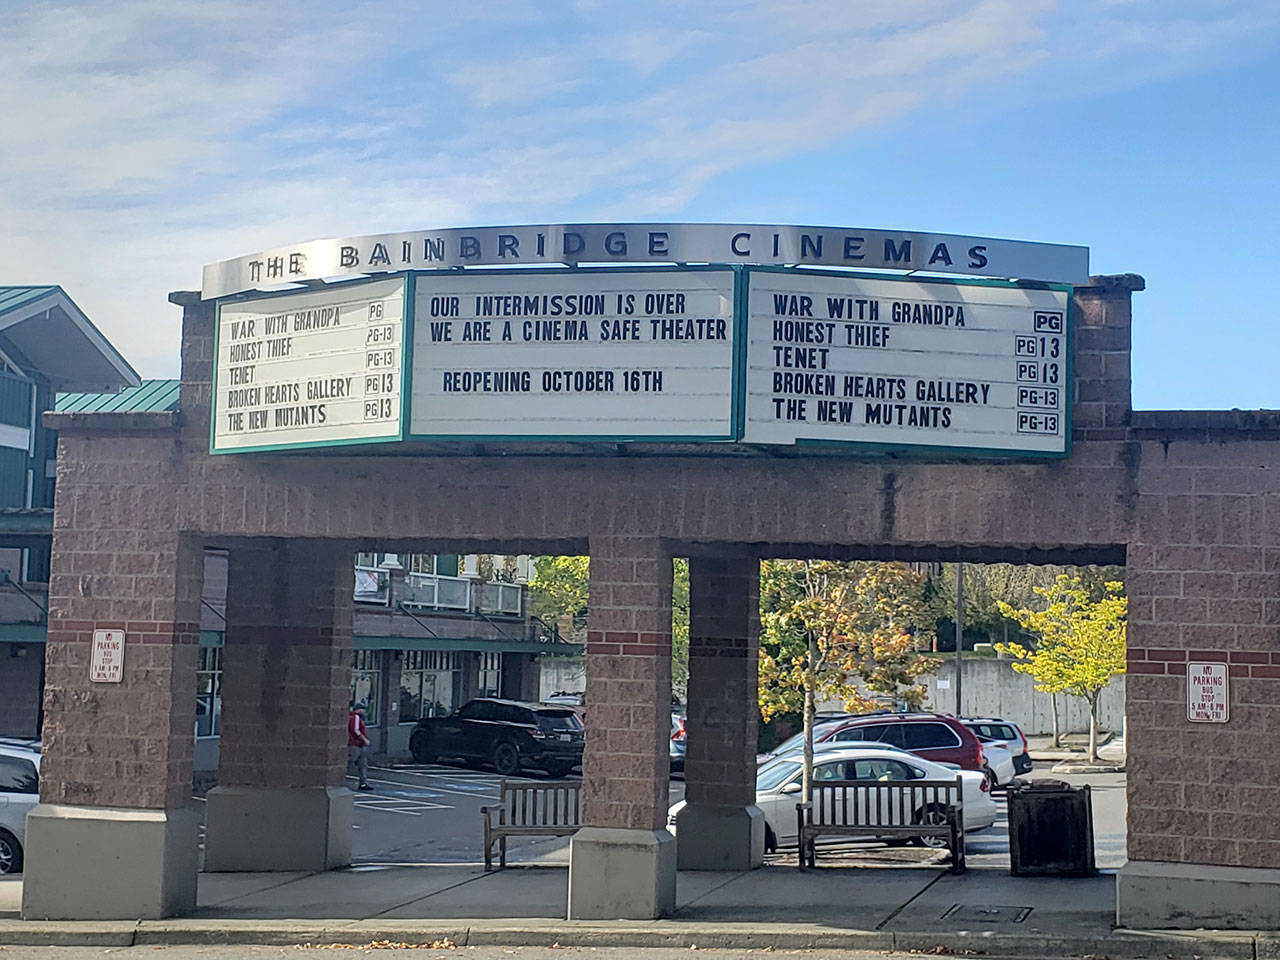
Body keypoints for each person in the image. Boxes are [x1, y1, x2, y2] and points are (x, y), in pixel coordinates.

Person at [348, 701, 373, 791]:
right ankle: (338, 780)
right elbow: (356, 730)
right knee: (350, 762)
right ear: (359, 710)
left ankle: (363, 783)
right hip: (355, 745)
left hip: (359, 745)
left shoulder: (353, 717)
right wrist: (364, 739)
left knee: (363, 764)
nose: (364, 711)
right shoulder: (355, 717)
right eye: (363, 709)